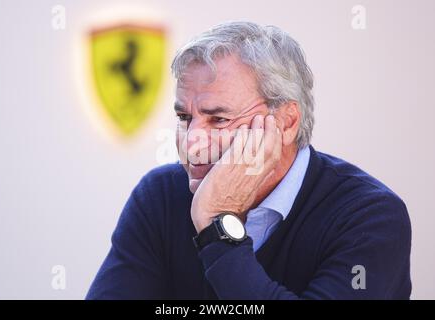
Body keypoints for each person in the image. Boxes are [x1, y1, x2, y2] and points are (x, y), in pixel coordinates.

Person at [86, 21, 411, 299]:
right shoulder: (160, 195)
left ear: (286, 123)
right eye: (185, 117)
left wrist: (216, 225)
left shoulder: (371, 217)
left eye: (219, 120)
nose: (192, 141)